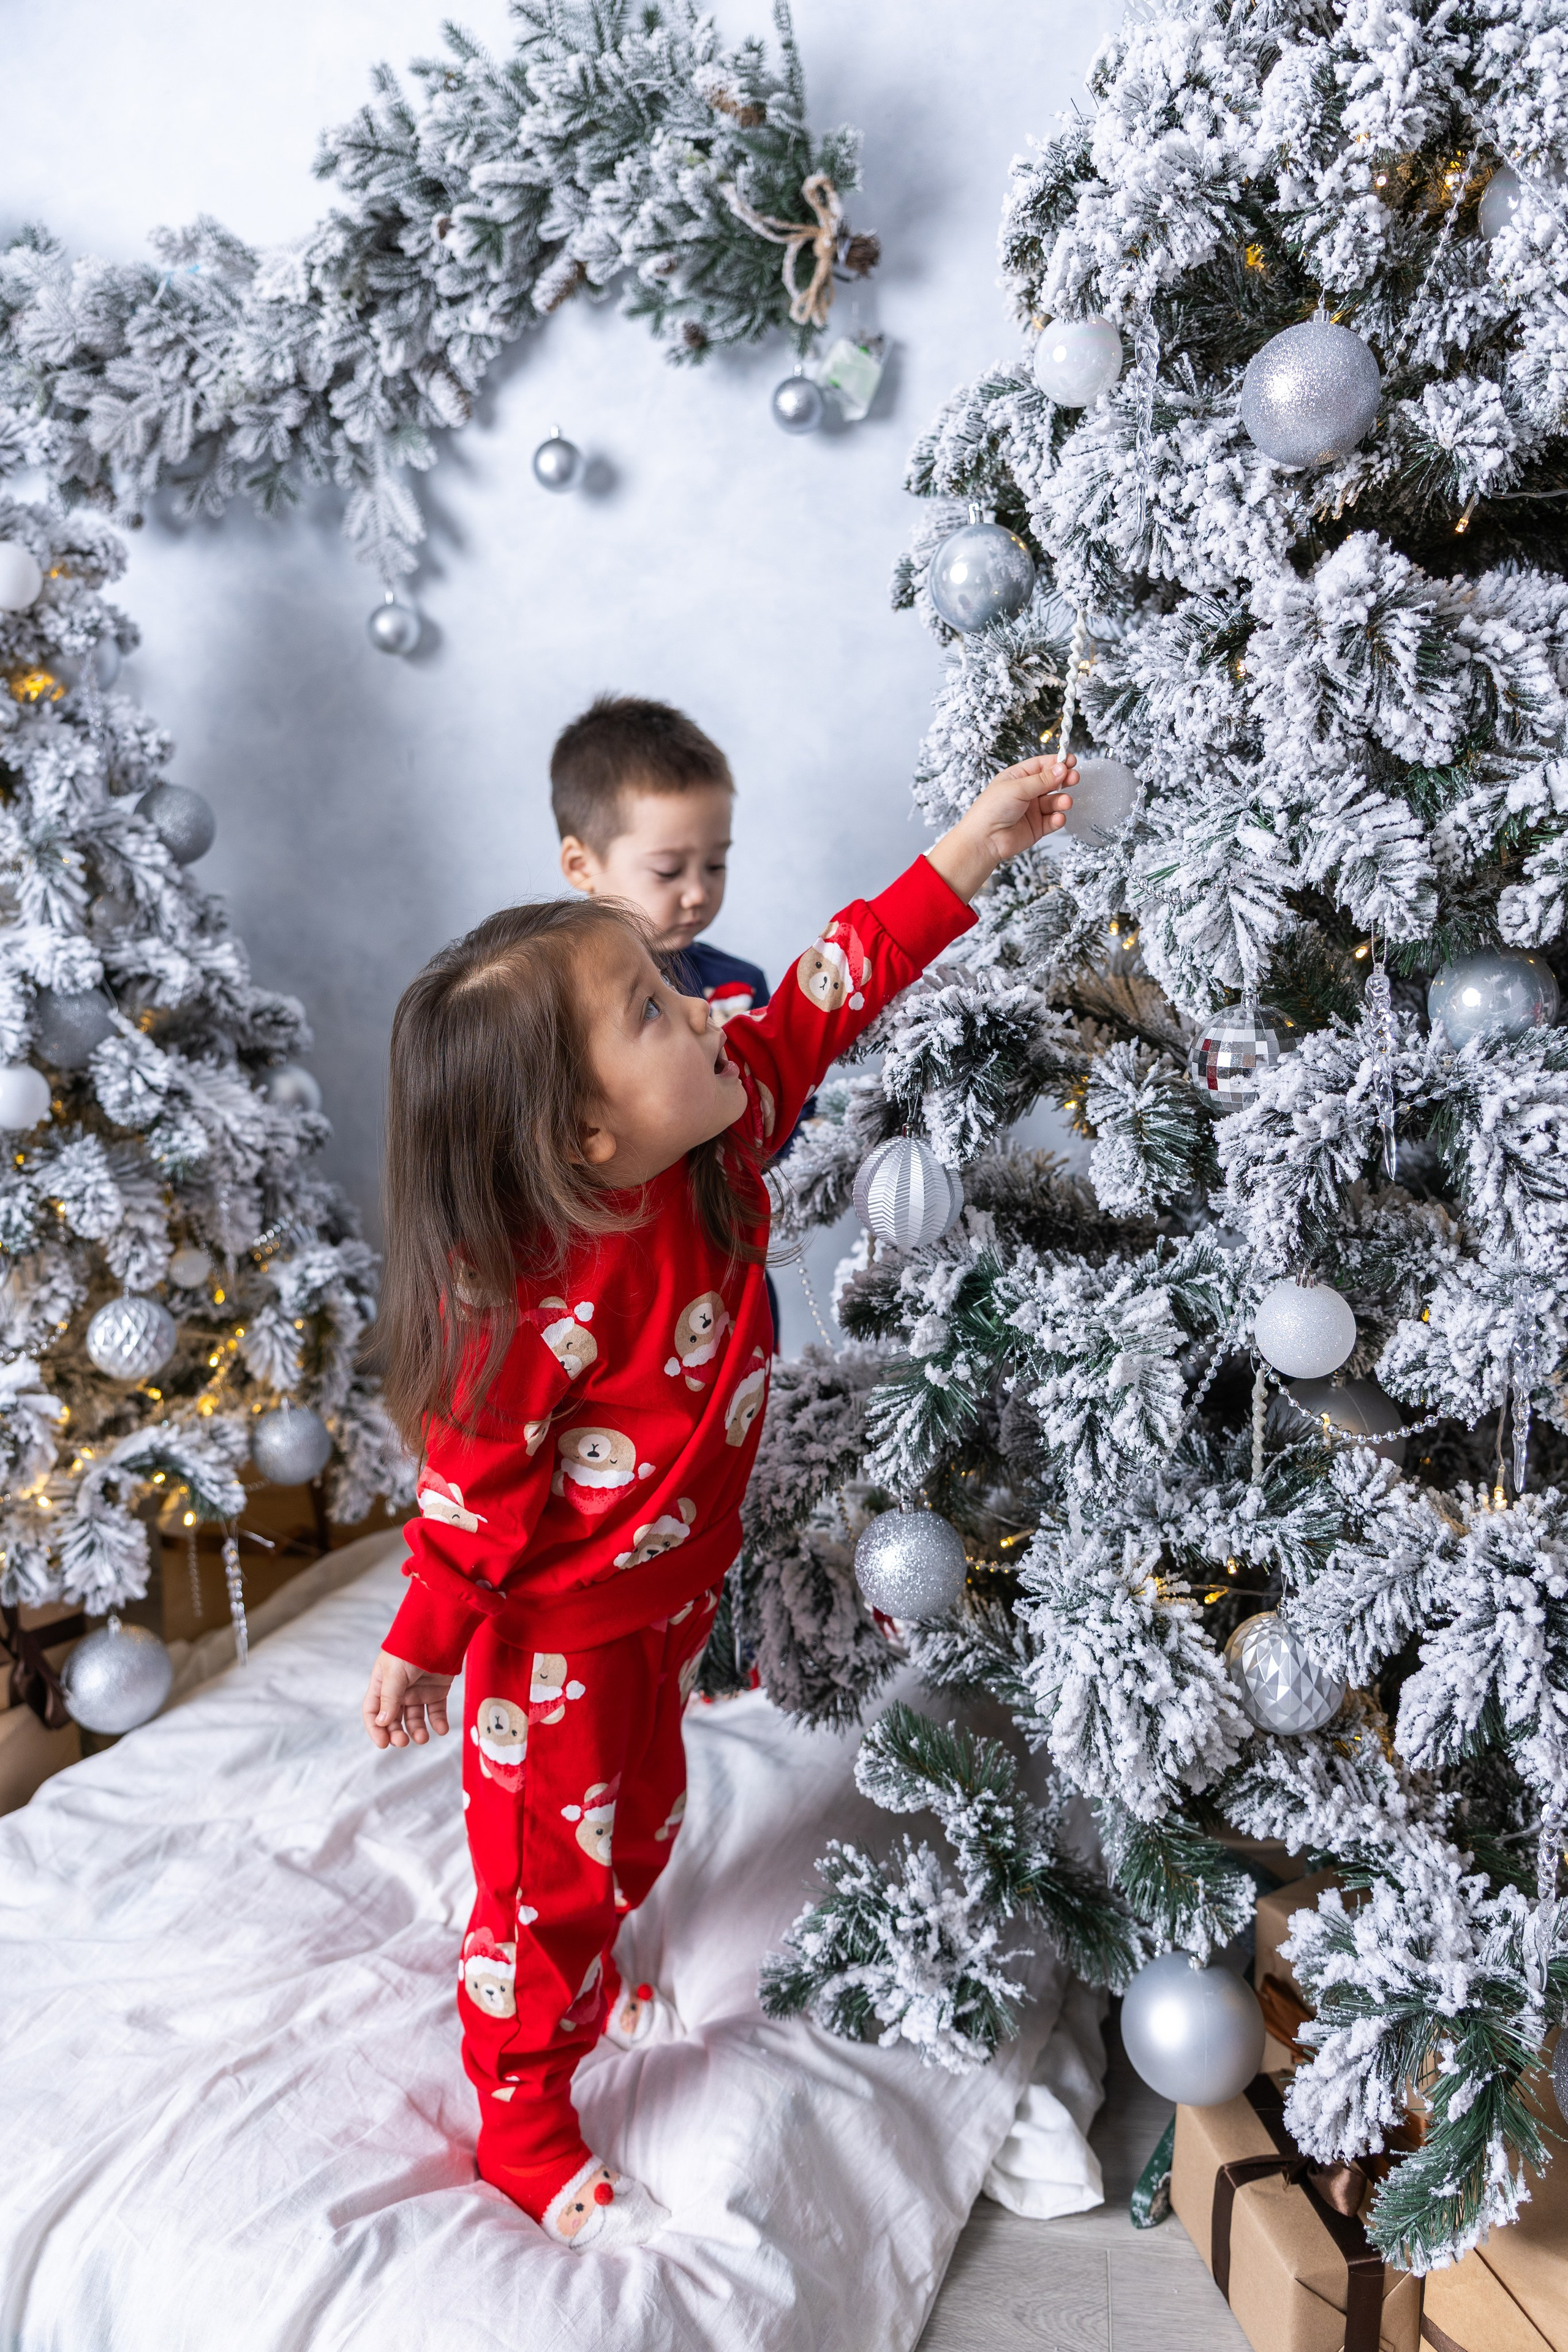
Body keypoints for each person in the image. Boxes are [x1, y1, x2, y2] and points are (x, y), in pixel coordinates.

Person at [361, 750, 1077, 2253]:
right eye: (655, 1011)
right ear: (582, 1138)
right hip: (552, 1644)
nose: (706, 1007)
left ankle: (595, 1941)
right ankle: (518, 2107)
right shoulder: (530, 1303)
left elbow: (830, 980)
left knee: (646, 1826)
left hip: (669, 1602)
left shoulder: (720, 1124)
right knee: (549, 1890)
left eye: (670, 988)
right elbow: (471, 1500)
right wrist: (424, 1643)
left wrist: (969, 843)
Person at [550, 692, 799, 1346]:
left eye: (715, 864)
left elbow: (779, 1118)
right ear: (582, 865)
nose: (697, 892)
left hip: (726, 1266)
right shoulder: (552, 1009)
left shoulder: (739, 986)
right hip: (615, 1297)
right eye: (668, 870)